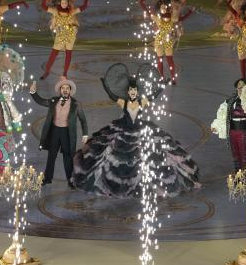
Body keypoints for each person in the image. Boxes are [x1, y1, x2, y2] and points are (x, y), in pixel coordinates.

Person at [73, 63, 200, 198]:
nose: (133, 92)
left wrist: (162, 85)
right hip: (124, 127)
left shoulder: (141, 102)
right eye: (131, 91)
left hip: (140, 127)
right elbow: (112, 96)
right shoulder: (124, 102)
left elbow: (153, 95)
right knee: (107, 150)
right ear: (128, 92)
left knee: (157, 149)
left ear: (137, 92)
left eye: (134, 91)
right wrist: (105, 85)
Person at [29, 77, 89, 187]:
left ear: (70, 90)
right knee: (51, 155)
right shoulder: (53, 101)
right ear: (60, 90)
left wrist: (85, 134)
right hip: (55, 132)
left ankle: (71, 180)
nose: (65, 90)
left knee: (68, 157)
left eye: (67, 88)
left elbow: (83, 120)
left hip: (67, 133)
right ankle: (47, 178)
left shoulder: (76, 104)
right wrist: (33, 92)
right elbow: (41, 101)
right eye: (63, 88)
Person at [39, 0, 93, 80]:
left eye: (65, 3)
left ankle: (65, 74)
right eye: (62, 3)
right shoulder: (55, 11)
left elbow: (84, 7)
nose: (64, 4)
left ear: (68, 3)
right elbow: (43, 6)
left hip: (70, 36)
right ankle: (47, 71)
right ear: (60, 3)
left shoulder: (71, 12)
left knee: (68, 55)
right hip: (60, 36)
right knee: (53, 55)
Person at [140, 0, 194, 84]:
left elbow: (148, 12)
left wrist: (142, 3)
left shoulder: (160, 19)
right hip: (166, 41)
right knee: (168, 60)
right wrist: (190, 12)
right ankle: (170, 78)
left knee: (162, 60)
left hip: (161, 41)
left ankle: (164, 78)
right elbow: (182, 18)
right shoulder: (170, 19)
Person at [211, 79, 246, 171]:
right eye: (239, 87)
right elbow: (223, 115)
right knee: (235, 155)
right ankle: (238, 174)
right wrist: (216, 126)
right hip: (232, 132)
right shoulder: (231, 101)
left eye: (243, 87)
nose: (240, 89)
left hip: (243, 132)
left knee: (244, 154)